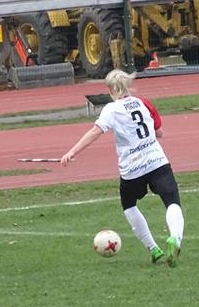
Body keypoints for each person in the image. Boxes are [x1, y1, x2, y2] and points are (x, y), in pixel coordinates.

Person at [60, 69, 185, 266]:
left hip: (132, 169)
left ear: (111, 90)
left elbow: (96, 131)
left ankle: (153, 249)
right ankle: (175, 238)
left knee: (129, 205)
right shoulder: (144, 103)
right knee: (172, 201)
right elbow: (159, 132)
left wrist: (72, 152)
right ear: (128, 86)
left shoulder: (111, 109)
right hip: (157, 161)